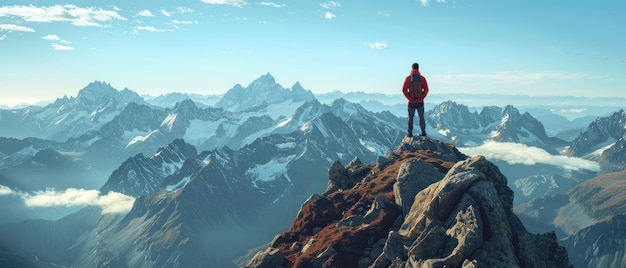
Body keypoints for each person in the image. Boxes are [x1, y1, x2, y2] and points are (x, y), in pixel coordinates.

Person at [402, 62, 429, 137]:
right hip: (420, 102)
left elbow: (404, 89)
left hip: (411, 102)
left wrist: (409, 98)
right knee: (421, 117)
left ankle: (410, 133)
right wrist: (421, 97)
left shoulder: (408, 78)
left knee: (410, 118)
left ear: (412, 68)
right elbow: (426, 89)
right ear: (418, 68)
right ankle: (423, 132)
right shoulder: (422, 78)